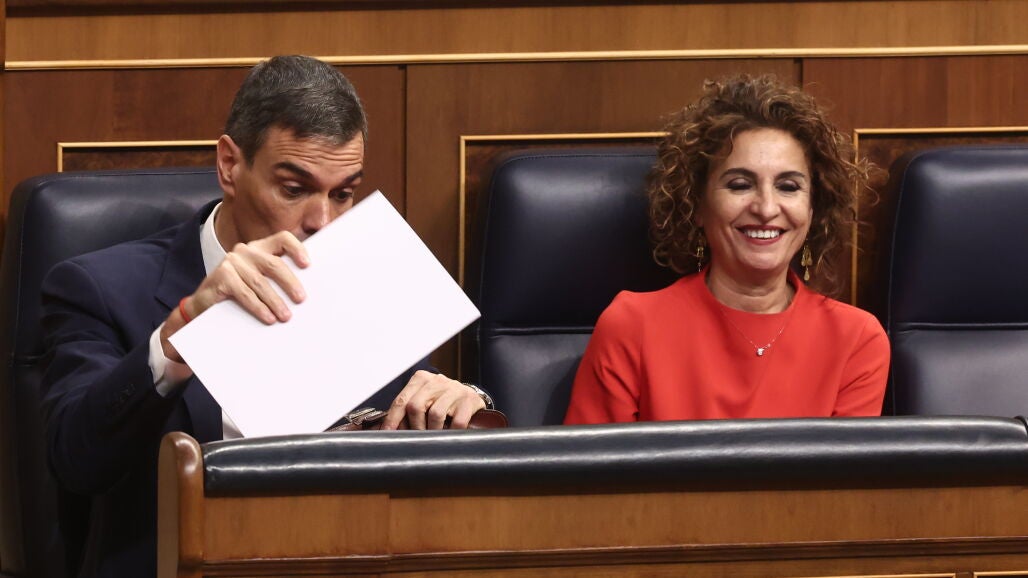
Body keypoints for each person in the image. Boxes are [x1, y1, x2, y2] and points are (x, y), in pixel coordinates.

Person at [40, 55, 490, 578]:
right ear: (230, 166)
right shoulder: (99, 288)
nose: (323, 221)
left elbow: (419, 431)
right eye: (294, 190)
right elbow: (77, 462)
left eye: (343, 193)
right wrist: (179, 335)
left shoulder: (365, 280)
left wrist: (467, 404)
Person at [564, 74, 889, 425]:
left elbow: (843, 464)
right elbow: (591, 462)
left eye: (788, 186)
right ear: (697, 205)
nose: (766, 208)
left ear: (813, 210)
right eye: (740, 185)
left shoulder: (856, 339)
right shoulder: (632, 326)